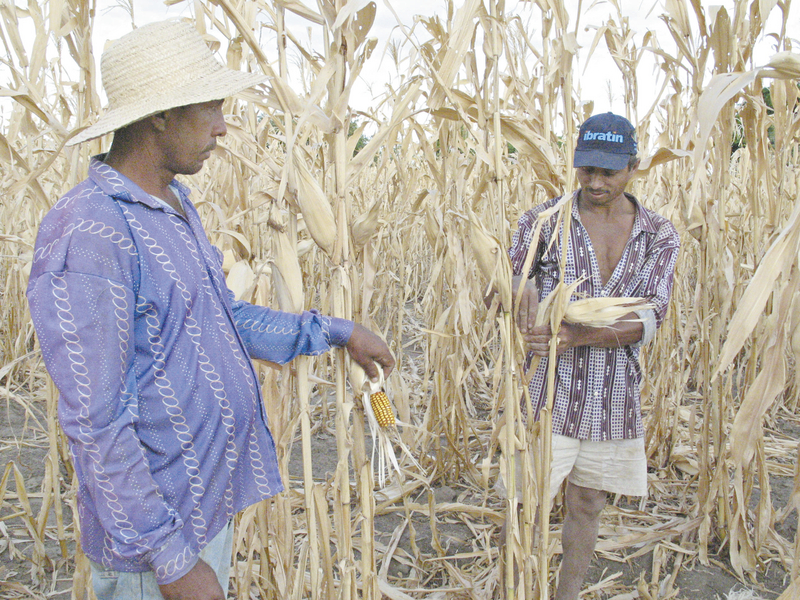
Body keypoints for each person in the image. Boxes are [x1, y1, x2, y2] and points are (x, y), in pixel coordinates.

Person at [26, 20, 395, 600]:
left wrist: (335, 331)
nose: (223, 128)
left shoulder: (173, 203)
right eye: (210, 109)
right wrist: (172, 564)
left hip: (200, 510)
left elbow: (220, 318)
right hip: (153, 551)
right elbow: (97, 425)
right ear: (161, 116)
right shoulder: (90, 234)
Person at [505, 112, 680, 599]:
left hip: (613, 394)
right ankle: (515, 588)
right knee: (526, 503)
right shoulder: (542, 221)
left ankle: (566, 594)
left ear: (634, 167)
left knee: (587, 502)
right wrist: (517, 297)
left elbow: (651, 315)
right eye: (587, 170)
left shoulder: (658, 235)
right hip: (547, 390)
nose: (596, 182)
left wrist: (575, 335)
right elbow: (504, 284)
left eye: (609, 171)